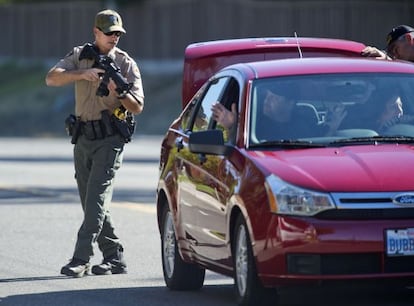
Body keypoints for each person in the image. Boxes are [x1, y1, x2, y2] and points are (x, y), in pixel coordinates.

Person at [45, 9, 144, 278]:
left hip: (110, 140)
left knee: (96, 200)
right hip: (83, 138)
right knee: (91, 202)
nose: (115, 38)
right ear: (96, 32)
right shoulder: (80, 56)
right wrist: (82, 74)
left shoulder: (125, 64)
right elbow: (52, 78)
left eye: (118, 34)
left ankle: (81, 258)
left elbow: (137, 107)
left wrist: (120, 92)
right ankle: (114, 257)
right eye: (110, 33)